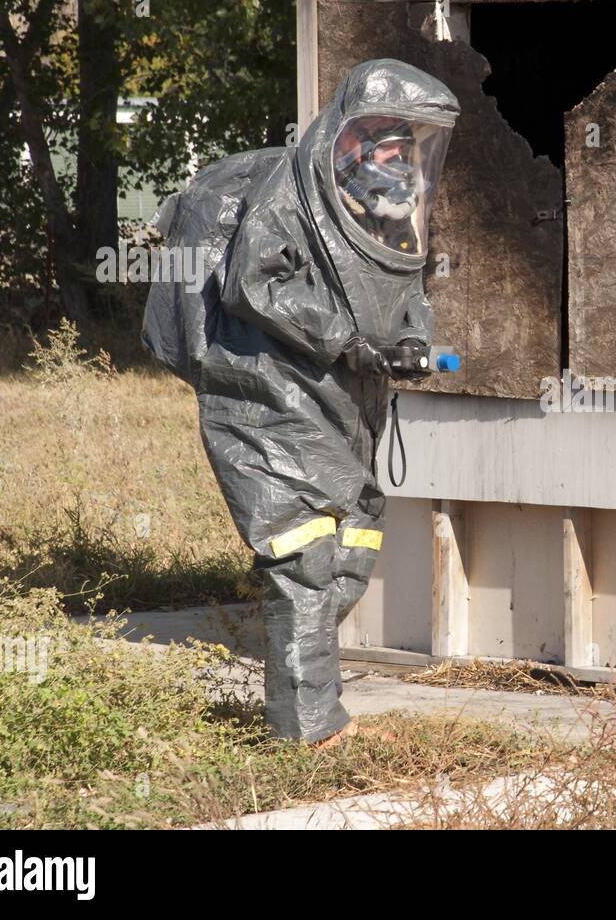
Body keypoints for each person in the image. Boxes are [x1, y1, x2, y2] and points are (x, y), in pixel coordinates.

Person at [142, 59, 459, 746]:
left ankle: (308, 679)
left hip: (342, 395)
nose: (394, 155)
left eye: (405, 143)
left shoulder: (386, 197)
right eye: (381, 140)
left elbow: (404, 286)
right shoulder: (291, 190)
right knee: (302, 553)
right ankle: (308, 728)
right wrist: (348, 341)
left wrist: (409, 346)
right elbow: (252, 286)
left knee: (352, 539)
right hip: (263, 385)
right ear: (349, 132)